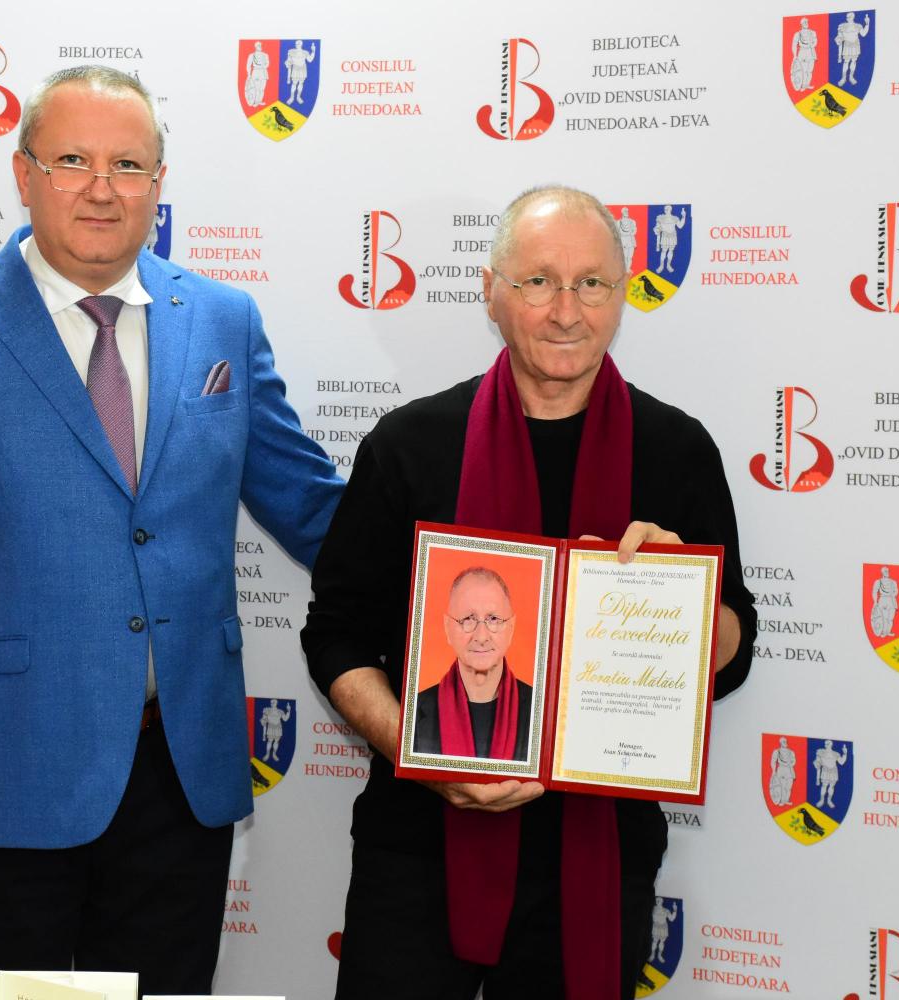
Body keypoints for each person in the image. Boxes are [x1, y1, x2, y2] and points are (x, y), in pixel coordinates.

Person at [0, 65, 341, 1000]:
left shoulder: (224, 323)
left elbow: (317, 512)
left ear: (160, 182)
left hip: (180, 783)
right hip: (3, 789)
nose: (103, 189)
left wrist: (485, 558)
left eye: (128, 164)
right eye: (72, 161)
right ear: (23, 173)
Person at [301, 185, 755, 999]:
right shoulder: (409, 445)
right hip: (419, 850)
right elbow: (335, 635)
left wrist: (686, 602)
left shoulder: (677, 450)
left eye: (592, 283)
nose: (567, 311)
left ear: (623, 295)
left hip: (598, 859)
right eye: (539, 281)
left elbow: (733, 651)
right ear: (491, 291)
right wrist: (421, 752)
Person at [412, 566, 533, 760]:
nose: (481, 636)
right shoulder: (413, 712)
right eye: (468, 619)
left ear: (511, 628)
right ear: (447, 628)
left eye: (493, 619)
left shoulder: (540, 711)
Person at [836, 12, 870, 87]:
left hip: (855, 45)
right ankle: (843, 78)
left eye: (850, 17)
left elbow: (863, 34)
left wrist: (867, 24)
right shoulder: (842, 26)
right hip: (847, 46)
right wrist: (839, 55)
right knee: (846, 62)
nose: (848, 18)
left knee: (854, 61)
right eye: (847, 17)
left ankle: (851, 77)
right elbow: (839, 39)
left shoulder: (858, 26)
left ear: (853, 17)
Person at [813, 739, 848, 809]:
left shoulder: (836, 754)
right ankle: (822, 800)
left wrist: (845, 753)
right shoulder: (820, 752)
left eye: (828, 743)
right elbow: (818, 766)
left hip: (833, 771)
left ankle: (829, 800)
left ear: (831, 744)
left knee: (831, 786)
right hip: (825, 771)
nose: (827, 745)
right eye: (826, 744)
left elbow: (841, 762)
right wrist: (817, 778)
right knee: (824, 786)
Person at [788, 17, 818, 92]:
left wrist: (812, 45)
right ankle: (803, 85)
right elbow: (794, 45)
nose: (806, 23)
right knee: (803, 70)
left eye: (807, 22)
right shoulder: (798, 34)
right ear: (801, 24)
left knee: (810, 71)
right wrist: (794, 55)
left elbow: (815, 41)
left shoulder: (813, 32)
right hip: (803, 52)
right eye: (804, 22)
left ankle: (807, 84)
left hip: (811, 52)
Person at [767, 736, 796, 808]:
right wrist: (773, 771)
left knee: (788, 787)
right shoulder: (777, 751)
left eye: (785, 741)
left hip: (789, 770)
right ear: (780, 743)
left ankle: (786, 800)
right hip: (781, 769)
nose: (785, 742)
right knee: (782, 786)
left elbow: (794, 761)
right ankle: (782, 801)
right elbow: (773, 761)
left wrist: (790, 763)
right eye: (783, 741)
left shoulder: (791, 752)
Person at [870, 565, 898, 638]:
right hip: (883, 600)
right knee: (884, 618)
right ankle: (883, 632)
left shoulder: (893, 582)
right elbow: (874, 591)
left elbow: (896, 591)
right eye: (885, 571)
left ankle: (888, 631)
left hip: (892, 601)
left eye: (888, 571)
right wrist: (875, 601)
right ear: (882, 572)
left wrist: (892, 595)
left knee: (890, 619)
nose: (887, 572)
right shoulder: (878, 582)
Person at [243, 41, 270, 107]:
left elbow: (267, 63)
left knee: (262, 89)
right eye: (258, 45)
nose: (259, 46)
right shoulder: (252, 55)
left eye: (260, 45)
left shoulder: (265, 55)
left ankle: (259, 101)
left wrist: (264, 66)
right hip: (256, 72)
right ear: (255, 47)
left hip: (263, 72)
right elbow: (248, 65)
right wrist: (249, 74)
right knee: (256, 88)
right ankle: (256, 101)